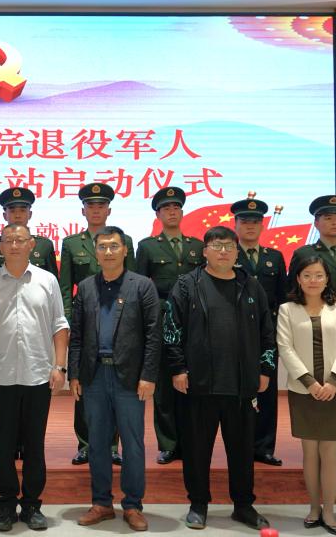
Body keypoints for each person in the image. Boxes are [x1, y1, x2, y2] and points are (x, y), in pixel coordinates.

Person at [165, 226, 273, 531]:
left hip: (242, 384)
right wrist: (177, 368)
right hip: (199, 383)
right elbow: (171, 329)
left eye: (228, 246)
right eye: (216, 246)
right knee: (197, 449)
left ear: (237, 252)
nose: (223, 251)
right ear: (205, 252)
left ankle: (243, 505)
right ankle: (198, 504)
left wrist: (265, 369)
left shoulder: (251, 285)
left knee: (242, 450)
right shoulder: (187, 284)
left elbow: (267, 330)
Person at [0, 224, 69, 532]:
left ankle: (31, 505)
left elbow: (59, 324)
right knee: (2, 444)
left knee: (34, 444)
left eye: (20, 240)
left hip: (38, 375)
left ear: (31, 245)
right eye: (8, 240)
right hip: (0, 377)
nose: (14, 245)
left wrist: (59, 366)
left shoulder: (47, 280)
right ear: (0, 247)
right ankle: (5, 505)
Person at [68, 226, 160, 532]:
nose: (108, 251)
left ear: (124, 250)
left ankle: (132, 505)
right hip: (94, 376)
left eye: (114, 246)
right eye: (103, 246)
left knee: (132, 444)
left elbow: (153, 335)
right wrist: (75, 374)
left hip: (130, 378)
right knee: (97, 443)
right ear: (96, 252)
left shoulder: (142, 286)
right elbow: (77, 335)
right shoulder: (86, 287)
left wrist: (148, 375)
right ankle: (102, 503)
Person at [277, 256, 336, 535]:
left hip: (335, 390)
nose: (313, 280)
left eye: (319, 275)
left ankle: (329, 511)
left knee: (330, 453)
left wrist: (332, 381)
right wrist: (310, 383)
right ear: (298, 279)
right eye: (307, 275)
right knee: (309, 452)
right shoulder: (287, 310)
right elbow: (285, 348)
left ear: (327, 279)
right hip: (303, 391)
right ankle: (313, 508)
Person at [60, 182, 135, 466]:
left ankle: (112, 446)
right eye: (90, 206)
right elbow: (65, 286)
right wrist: (68, 320)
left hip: (117, 319)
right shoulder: (71, 243)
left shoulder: (124, 240)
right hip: (85, 321)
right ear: (83, 210)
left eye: (101, 205)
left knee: (116, 383)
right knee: (84, 382)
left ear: (108, 210)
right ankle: (85, 444)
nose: (95, 210)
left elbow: (132, 283)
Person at [290, 194, 336, 466]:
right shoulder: (304, 254)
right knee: (321, 381)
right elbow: (292, 292)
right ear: (316, 222)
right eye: (328, 218)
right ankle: (318, 439)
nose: (334, 222)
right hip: (316, 328)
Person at [137, 186, 203, 465]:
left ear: (182, 212)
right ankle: (168, 443)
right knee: (165, 386)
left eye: (176, 207)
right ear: (158, 215)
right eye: (166, 208)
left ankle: (190, 442)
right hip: (163, 319)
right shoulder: (147, 246)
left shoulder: (197, 245)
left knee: (193, 384)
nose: (172, 212)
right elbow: (140, 286)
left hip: (194, 320)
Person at [231, 195, 287, 466]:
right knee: (237, 392)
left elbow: (283, 298)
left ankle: (264, 447)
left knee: (267, 390)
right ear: (235, 224)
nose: (250, 226)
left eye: (255, 221)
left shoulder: (274, 257)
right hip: (234, 333)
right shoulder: (228, 255)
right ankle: (240, 446)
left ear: (263, 225)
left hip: (266, 334)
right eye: (245, 221)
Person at [0, 187, 58, 277]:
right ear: (5, 215)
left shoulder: (44, 245)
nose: (17, 215)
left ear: (30, 214)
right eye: (12, 211)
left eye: (23, 210)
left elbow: (53, 279)